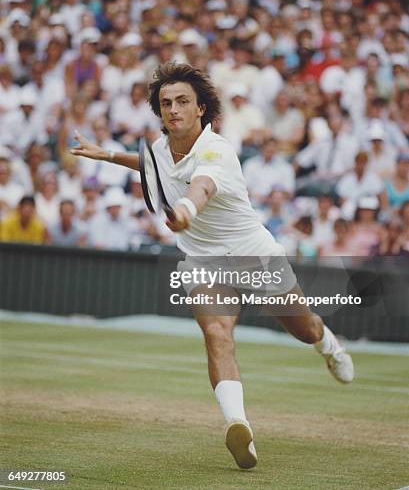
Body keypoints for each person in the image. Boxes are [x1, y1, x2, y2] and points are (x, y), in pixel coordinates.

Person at [70, 62, 354, 471]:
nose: (173, 110)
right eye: (166, 103)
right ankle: (238, 425)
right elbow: (152, 164)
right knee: (216, 332)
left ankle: (329, 344)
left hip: (251, 253)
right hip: (203, 261)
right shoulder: (159, 148)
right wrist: (107, 155)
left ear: (201, 109)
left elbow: (200, 187)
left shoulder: (216, 150)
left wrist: (184, 211)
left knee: (303, 328)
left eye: (183, 101)